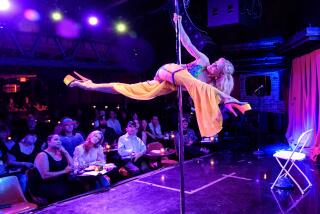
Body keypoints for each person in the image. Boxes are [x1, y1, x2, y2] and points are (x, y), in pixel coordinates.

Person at [65, 14, 251, 138]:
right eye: (214, 63)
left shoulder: (209, 85)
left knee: (129, 90)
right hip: (170, 71)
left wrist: (219, 100)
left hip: (167, 85)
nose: (211, 66)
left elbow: (208, 95)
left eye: (215, 67)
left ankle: (88, 85)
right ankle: (230, 98)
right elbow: (186, 43)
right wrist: (178, 24)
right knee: (196, 85)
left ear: (219, 74)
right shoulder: (202, 60)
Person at [34, 134, 83, 203]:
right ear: (49, 142)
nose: (59, 141)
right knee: (63, 192)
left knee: (80, 185)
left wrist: (65, 152)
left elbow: (73, 166)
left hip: (62, 181)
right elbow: (44, 175)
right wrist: (64, 171)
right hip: (48, 184)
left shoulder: (61, 153)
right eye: (56, 139)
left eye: (60, 140)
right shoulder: (43, 155)